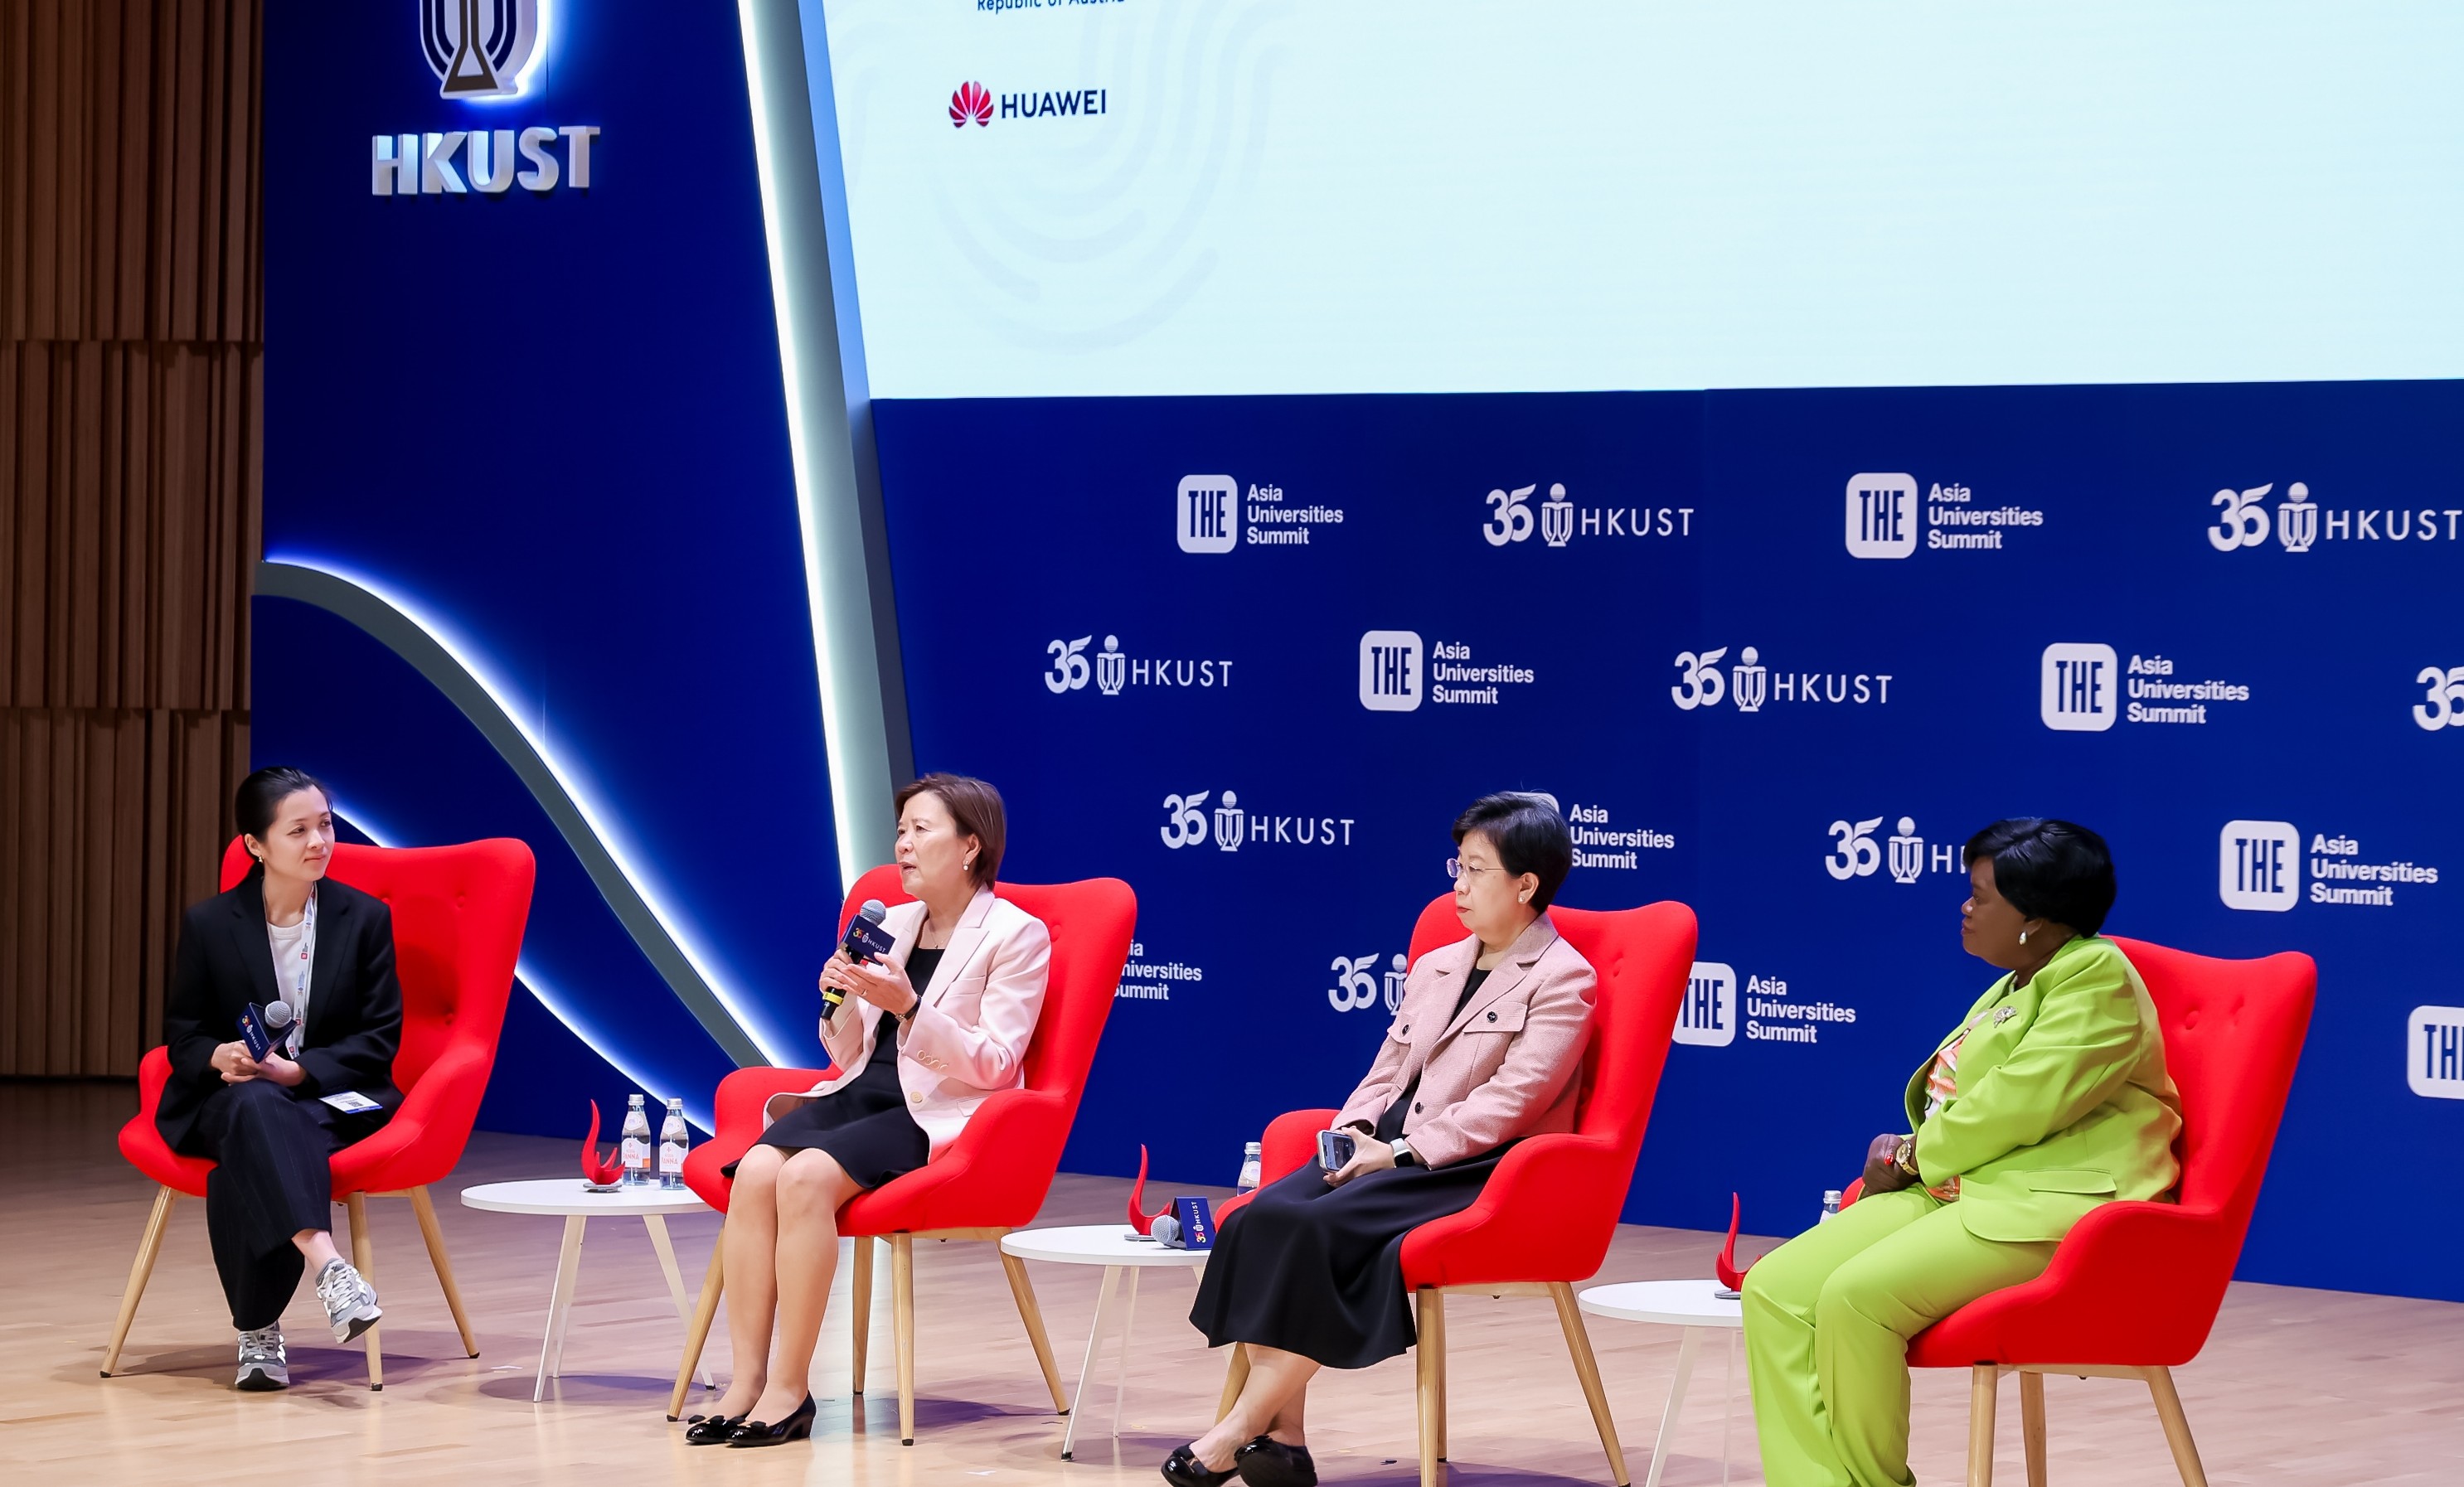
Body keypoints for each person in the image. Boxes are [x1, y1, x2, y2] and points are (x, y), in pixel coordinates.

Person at [1170, 792, 1597, 1487]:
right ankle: (1286, 1438)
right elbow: (1387, 1070)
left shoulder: (1563, 978)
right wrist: (1351, 1132)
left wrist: (1397, 1153)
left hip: (1472, 1166)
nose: (1458, 885)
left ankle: (1241, 1427)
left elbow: (1512, 1103)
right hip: (1387, 1145)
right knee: (1263, 1216)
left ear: (1526, 884)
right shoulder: (1437, 965)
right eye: (1457, 866)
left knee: (1317, 1229)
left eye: (1477, 870)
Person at [1742, 818, 2182, 1487]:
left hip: (2054, 1211)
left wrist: (1911, 1157)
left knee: (1856, 1299)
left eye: (1981, 896)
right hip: (1962, 1185)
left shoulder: (2097, 977)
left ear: (2035, 917)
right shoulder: (2020, 980)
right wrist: (1916, 1158)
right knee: (1775, 1290)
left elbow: (2017, 1104)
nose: (1965, 908)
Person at [690, 773, 1050, 1448]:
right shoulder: (895, 923)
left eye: (921, 830)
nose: (902, 845)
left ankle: (789, 1390)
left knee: (804, 1178)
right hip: (863, 1089)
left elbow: (998, 1064)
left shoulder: (1016, 935)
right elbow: (846, 1051)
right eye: (901, 831)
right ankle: (746, 1381)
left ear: (971, 845)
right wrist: (841, 999)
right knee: (758, 1170)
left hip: (933, 1111)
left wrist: (910, 1006)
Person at [157, 767, 398, 1390]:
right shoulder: (211, 924)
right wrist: (220, 1056)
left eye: (326, 825)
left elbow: (379, 1038)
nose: (320, 841)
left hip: (327, 1098)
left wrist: (300, 1072)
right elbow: (183, 1035)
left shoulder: (364, 918)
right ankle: (330, 1265)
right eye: (298, 830)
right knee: (256, 1107)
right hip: (227, 1098)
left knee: (255, 1136)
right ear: (255, 844)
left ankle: (257, 1333)